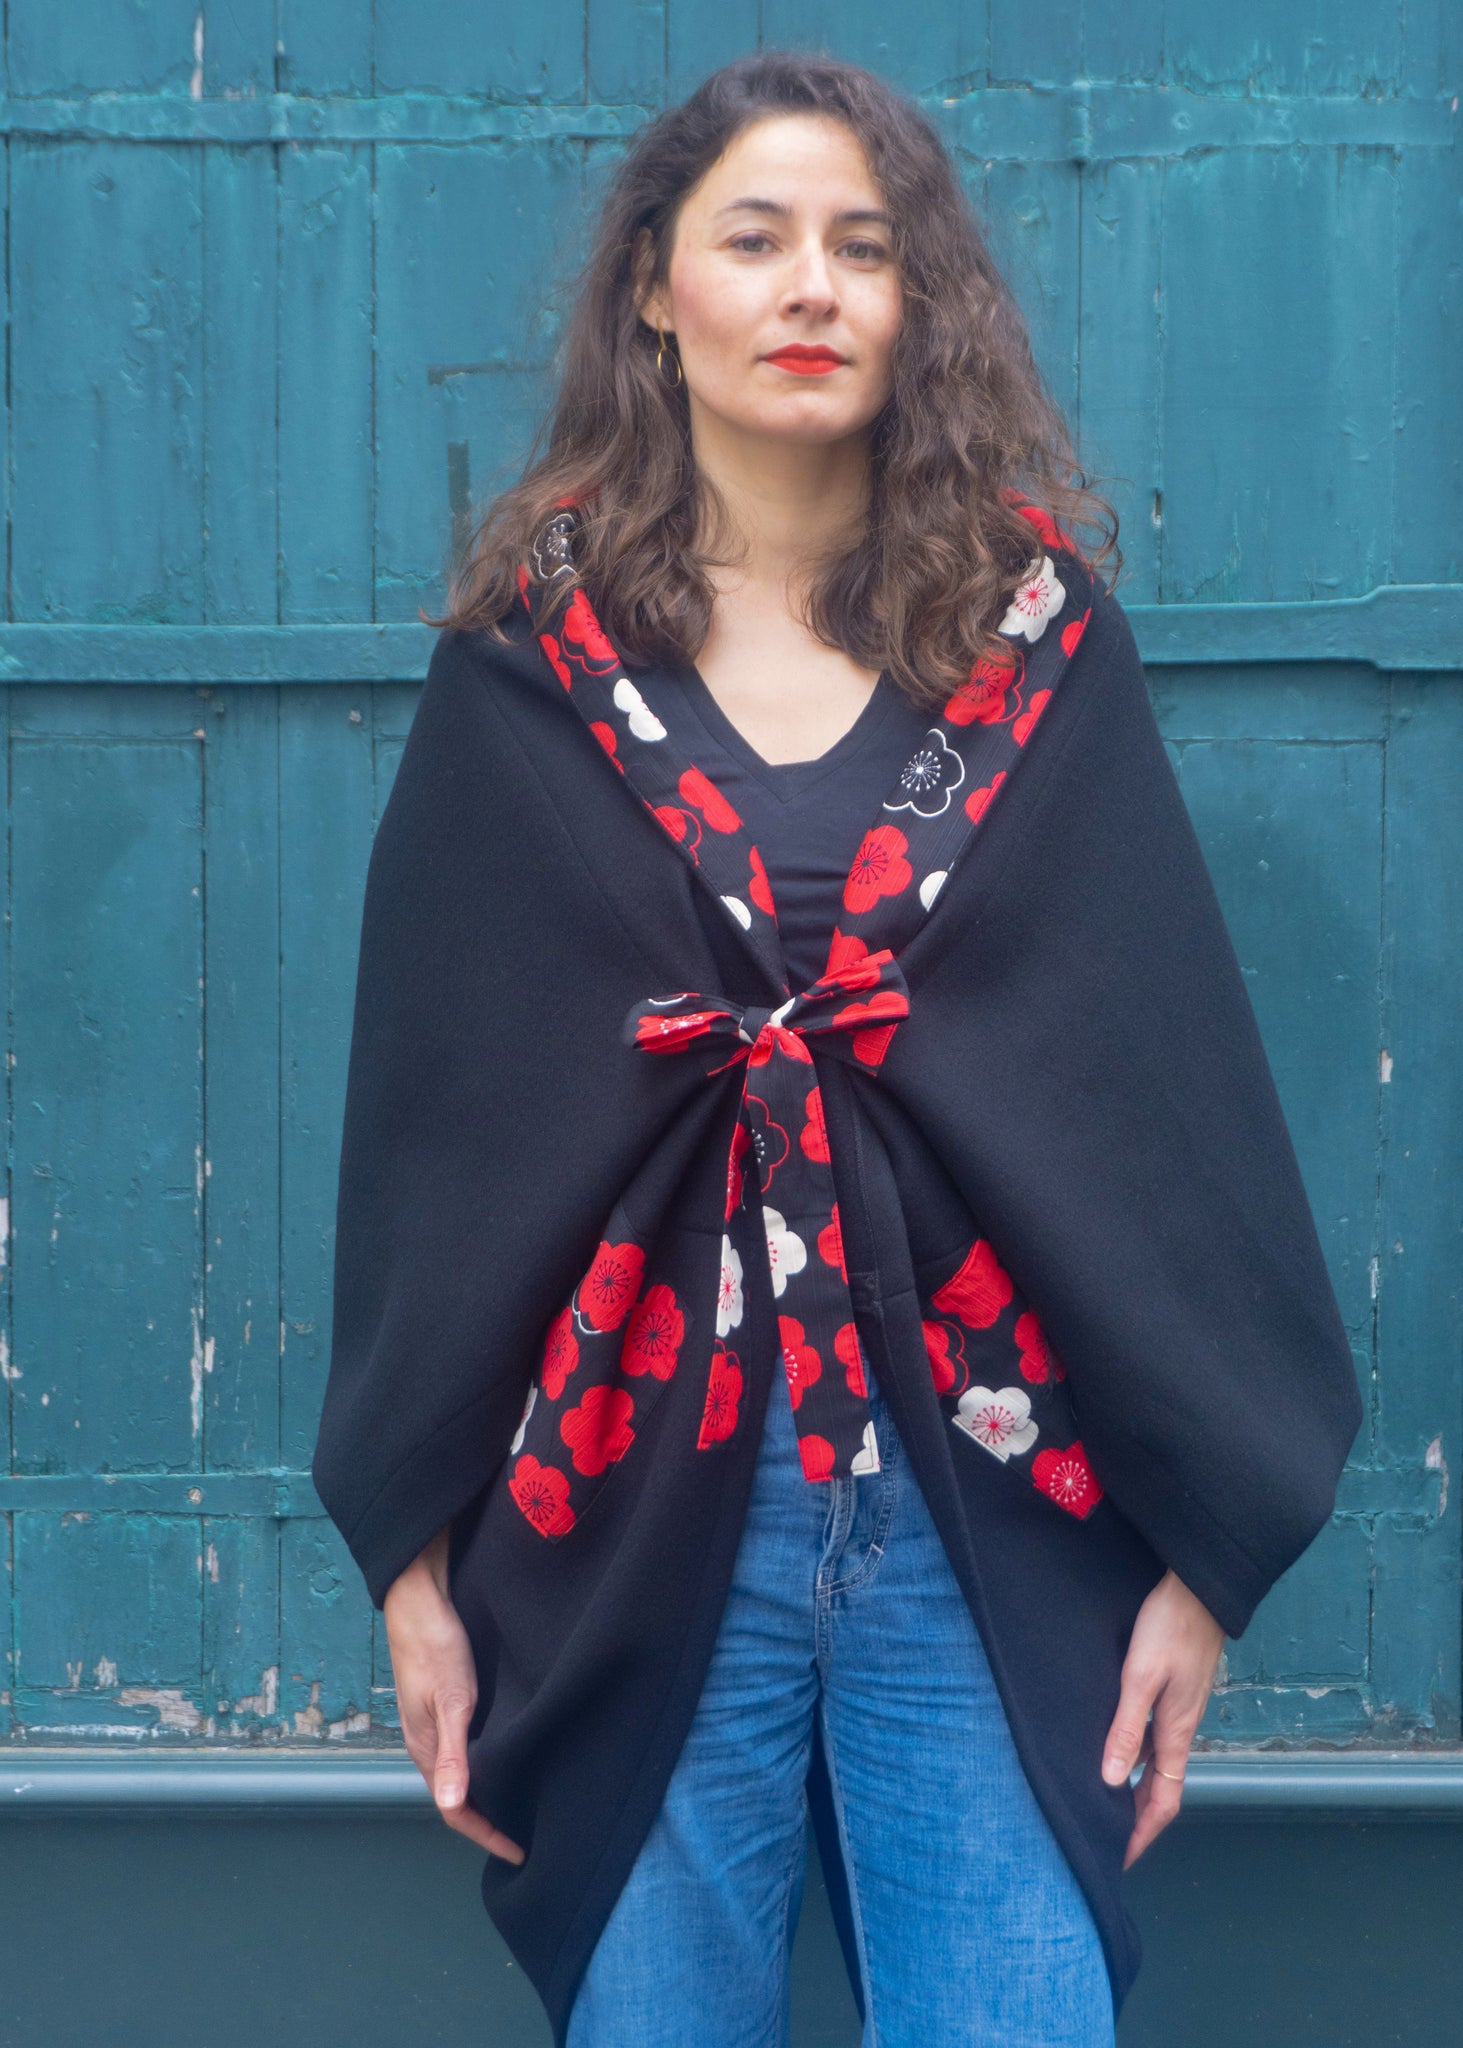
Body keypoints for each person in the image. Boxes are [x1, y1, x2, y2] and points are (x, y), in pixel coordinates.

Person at [312, 48, 1362, 2048]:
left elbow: (1166, 1103)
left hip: (999, 1518)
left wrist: (1205, 1566)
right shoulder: (530, 666)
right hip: (629, 1517)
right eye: (756, 238)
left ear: (915, 304)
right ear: (654, 290)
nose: (812, 288)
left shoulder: (1036, 645)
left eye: (865, 249)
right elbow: (438, 1130)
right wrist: (411, 1566)